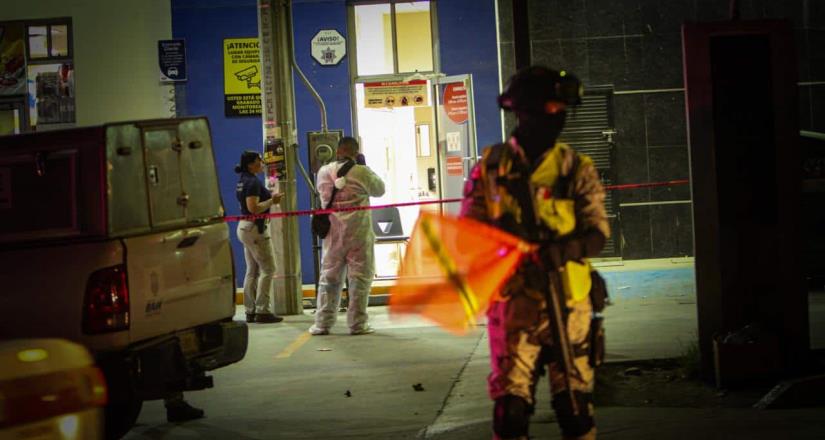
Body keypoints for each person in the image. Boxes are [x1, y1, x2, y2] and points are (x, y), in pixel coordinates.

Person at [460, 66, 609, 440]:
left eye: (562, 111)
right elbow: (468, 235)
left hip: (569, 302)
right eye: (551, 109)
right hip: (514, 305)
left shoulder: (575, 167)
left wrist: (564, 250)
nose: (557, 119)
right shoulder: (491, 169)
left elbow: (597, 232)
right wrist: (505, 242)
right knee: (510, 413)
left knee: (575, 409)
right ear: (524, 112)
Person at [309, 137, 385, 335]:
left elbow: (321, 194)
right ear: (356, 151)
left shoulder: (323, 172)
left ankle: (322, 324)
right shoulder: (362, 172)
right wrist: (363, 165)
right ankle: (357, 324)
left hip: (332, 234)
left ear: (337, 151)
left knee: (329, 278)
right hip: (358, 232)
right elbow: (380, 190)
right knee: (359, 279)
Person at [235, 150, 284, 324]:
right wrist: (273, 201)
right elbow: (253, 208)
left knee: (252, 270)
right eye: (258, 160)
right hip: (255, 229)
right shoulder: (252, 182)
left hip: (244, 228)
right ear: (250, 164)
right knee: (269, 268)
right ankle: (263, 310)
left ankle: (250, 310)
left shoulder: (243, 180)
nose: (262, 162)